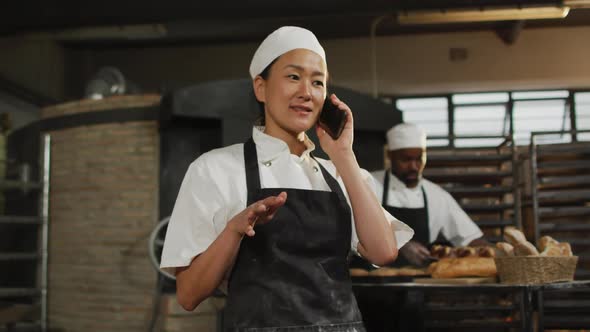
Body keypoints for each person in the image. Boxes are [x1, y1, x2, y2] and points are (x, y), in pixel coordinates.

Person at [159, 26, 413, 332]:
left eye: (317, 82)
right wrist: (234, 231)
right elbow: (188, 295)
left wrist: (343, 155)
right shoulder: (215, 169)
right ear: (261, 88)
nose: (306, 91)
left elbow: (384, 252)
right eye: (293, 76)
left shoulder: (342, 173)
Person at [371, 123, 488, 267]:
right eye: (406, 160)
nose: (414, 167)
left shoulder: (436, 195)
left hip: (419, 282)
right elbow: (357, 228)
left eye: (419, 158)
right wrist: (399, 243)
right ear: (390, 156)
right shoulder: (368, 184)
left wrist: (495, 253)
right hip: (373, 281)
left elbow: (470, 238)